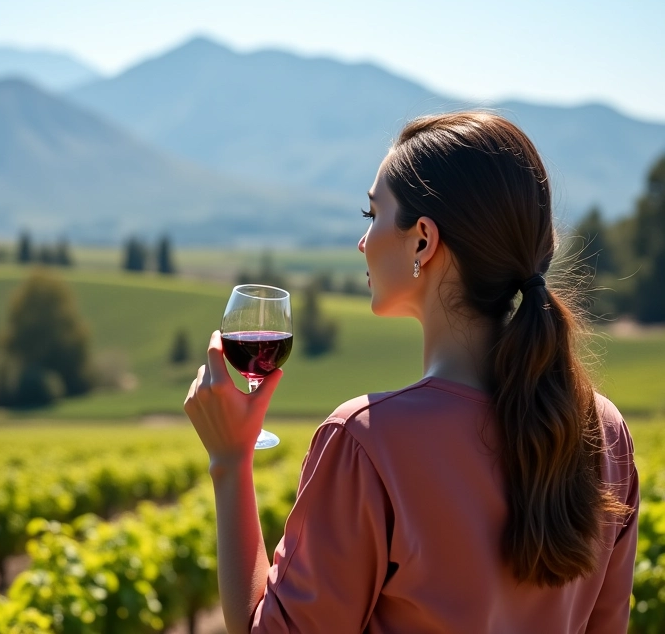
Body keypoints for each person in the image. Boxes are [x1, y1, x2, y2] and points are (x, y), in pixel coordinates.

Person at [184, 111, 639, 634]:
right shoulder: (604, 433)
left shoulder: (368, 442)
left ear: (422, 240)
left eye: (371, 213)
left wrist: (230, 460)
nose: (363, 242)